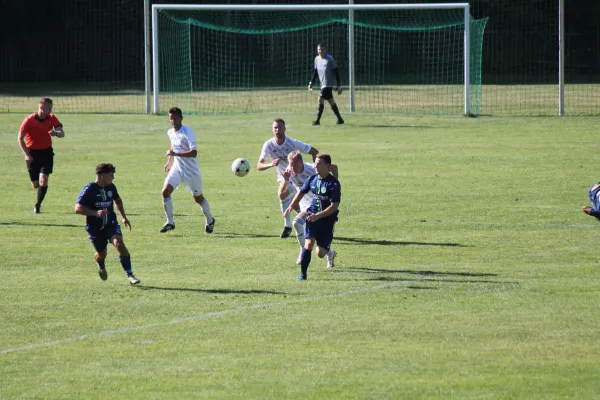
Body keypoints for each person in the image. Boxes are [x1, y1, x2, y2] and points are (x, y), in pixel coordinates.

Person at [75, 163, 140, 285]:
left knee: (119, 244)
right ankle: (101, 264)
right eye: (111, 175)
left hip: (110, 223)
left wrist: (123, 217)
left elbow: (118, 200)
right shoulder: (89, 189)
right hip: (95, 228)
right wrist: (95, 213)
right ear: (102, 175)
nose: (113, 178)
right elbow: (78, 208)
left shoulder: (111, 187)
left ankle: (130, 275)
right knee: (101, 254)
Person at [257, 118, 319, 238]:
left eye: (280, 127)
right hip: (284, 177)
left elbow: (314, 151)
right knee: (288, 198)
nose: (277, 130)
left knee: (287, 197)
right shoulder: (269, 145)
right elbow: (259, 165)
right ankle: (293, 224)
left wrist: (318, 171)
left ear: (285, 129)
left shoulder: (292, 143)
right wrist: (271, 164)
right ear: (272, 129)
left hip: (298, 176)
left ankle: (292, 224)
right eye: (275, 127)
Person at [284, 153, 341, 281]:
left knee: (320, 253)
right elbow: (300, 192)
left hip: (327, 221)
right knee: (308, 244)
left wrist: (319, 216)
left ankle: (329, 253)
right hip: (312, 216)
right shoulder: (312, 179)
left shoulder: (334, 184)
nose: (315, 166)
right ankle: (303, 274)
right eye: (315, 164)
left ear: (327, 165)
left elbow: (334, 206)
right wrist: (291, 206)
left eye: (318, 164)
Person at [160, 107, 215, 234]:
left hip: (191, 172)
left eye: (175, 118)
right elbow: (173, 145)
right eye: (170, 119)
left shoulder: (187, 132)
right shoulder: (170, 132)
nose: (173, 121)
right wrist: (169, 162)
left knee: (198, 198)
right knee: (165, 192)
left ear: (181, 118)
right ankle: (170, 222)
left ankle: (210, 220)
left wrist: (176, 153)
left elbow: (194, 153)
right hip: (178, 169)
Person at [18, 97, 65, 214]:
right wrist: (26, 154)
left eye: (51, 108)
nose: (50, 110)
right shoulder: (29, 120)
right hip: (32, 153)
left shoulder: (52, 118)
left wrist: (56, 133)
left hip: (46, 153)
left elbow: (62, 133)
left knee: (43, 180)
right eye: (48, 108)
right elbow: (20, 138)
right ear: (41, 107)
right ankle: (38, 190)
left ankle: (37, 205)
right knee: (35, 184)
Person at [308, 44, 344, 126]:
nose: (320, 51)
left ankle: (317, 121)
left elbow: (336, 72)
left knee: (320, 99)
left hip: (328, 85)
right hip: (323, 84)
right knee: (331, 101)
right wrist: (311, 82)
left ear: (325, 50)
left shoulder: (330, 59)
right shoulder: (316, 59)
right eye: (319, 50)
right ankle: (340, 119)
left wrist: (339, 86)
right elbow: (315, 73)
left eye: (322, 49)